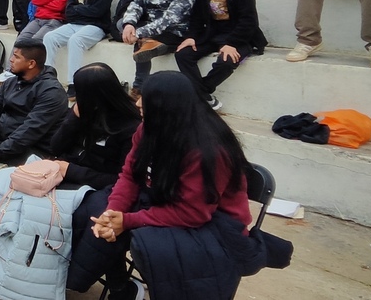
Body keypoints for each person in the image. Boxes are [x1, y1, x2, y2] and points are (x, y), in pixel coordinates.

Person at [84, 71, 253, 300]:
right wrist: (113, 213)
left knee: (149, 246)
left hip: (216, 225)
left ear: (166, 107)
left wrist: (128, 221)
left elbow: (193, 213)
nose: (138, 103)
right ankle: (121, 289)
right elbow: (130, 174)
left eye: (146, 99)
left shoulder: (208, 151)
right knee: (94, 209)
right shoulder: (150, 127)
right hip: (166, 200)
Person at [0, 39, 68, 228]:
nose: (11, 60)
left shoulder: (52, 92)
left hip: (33, 152)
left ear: (31, 63)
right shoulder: (11, 82)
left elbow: (30, 131)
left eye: (16, 57)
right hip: (5, 141)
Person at [173, 0, 265, 110]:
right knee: (183, 54)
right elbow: (197, 16)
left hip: (239, 37)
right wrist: (191, 37)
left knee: (226, 62)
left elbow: (249, 20)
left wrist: (232, 43)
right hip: (212, 34)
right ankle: (203, 97)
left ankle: (200, 94)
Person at [49, 63, 141, 190]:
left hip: (94, 187)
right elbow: (56, 148)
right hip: (64, 171)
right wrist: (73, 119)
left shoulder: (131, 128)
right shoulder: (84, 111)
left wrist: (71, 171)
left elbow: (123, 180)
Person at [118, 0, 196, 94]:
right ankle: (151, 42)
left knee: (140, 40)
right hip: (151, 27)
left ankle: (139, 88)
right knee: (121, 24)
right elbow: (136, 5)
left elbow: (171, 19)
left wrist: (138, 33)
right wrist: (129, 24)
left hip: (175, 31)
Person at [43, 0, 114, 91]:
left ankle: (73, 83)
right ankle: (47, 79)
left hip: (96, 26)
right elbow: (68, 12)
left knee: (75, 40)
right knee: (49, 37)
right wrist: (84, 10)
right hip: (75, 24)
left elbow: (98, 11)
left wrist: (78, 9)